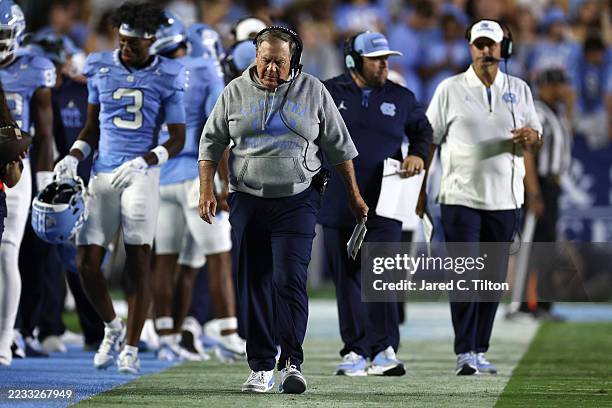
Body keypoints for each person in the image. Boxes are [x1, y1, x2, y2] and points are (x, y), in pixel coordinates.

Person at [198, 26, 368, 394]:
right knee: (254, 282)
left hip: (298, 199)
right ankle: (261, 367)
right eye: (265, 60)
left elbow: (340, 148)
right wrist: (206, 191)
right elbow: (211, 143)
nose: (272, 68)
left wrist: (355, 196)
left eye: (280, 61)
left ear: (295, 60)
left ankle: (292, 362)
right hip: (247, 198)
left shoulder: (313, 91)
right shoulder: (233, 92)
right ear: (255, 57)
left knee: (288, 278)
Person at [52, 2, 186, 374]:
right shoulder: (99, 65)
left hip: (141, 174)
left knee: (137, 264)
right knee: (86, 263)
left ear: (152, 41)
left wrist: (147, 159)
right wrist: (73, 155)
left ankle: (131, 346)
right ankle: (112, 327)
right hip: (103, 173)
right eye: (122, 41)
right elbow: (92, 128)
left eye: (134, 44)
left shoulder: (168, 74)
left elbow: (177, 138)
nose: (126, 49)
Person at [418, 19, 543, 375]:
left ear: (505, 47)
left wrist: (531, 136)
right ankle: (464, 351)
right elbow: (430, 140)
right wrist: (421, 190)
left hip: (505, 199)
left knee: (491, 280)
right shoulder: (450, 88)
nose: (486, 51)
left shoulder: (519, 88)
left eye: (492, 44)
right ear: (470, 48)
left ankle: (479, 348)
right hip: (460, 198)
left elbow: (538, 135)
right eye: (479, 45)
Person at [319, 31, 433, 377]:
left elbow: (423, 131)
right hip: (339, 198)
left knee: (383, 276)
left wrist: (417, 154)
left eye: (387, 58)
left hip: (386, 198)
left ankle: (384, 348)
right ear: (353, 60)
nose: (385, 64)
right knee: (348, 277)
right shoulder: (327, 92)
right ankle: (355, 349)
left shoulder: (401, 96)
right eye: (376, 58)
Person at [149, 11, 243, 362]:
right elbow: (217, 131)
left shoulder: (150, 72)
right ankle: (230, 332)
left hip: (160, 176)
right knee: (218, 256)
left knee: (167, 258)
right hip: (194, 174)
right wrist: (222, 185)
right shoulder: (204, 70)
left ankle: (165, 336)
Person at [0, 0, 56, 366]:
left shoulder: (34, 68)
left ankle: (4, 340)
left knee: (7, 252)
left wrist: (46, 182)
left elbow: (46, 132)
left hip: (12, 169)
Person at [519, 68, 573, 320]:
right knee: (537, 246)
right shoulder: (538, 112)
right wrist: (534, 193)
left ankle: (539, 304)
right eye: (558, 85)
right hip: (540, 183)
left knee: (545, 245)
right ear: (545, 87)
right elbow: (528, 154)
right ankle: (530, 304)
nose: (563, 89)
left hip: (551, 184)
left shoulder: (557, 112)